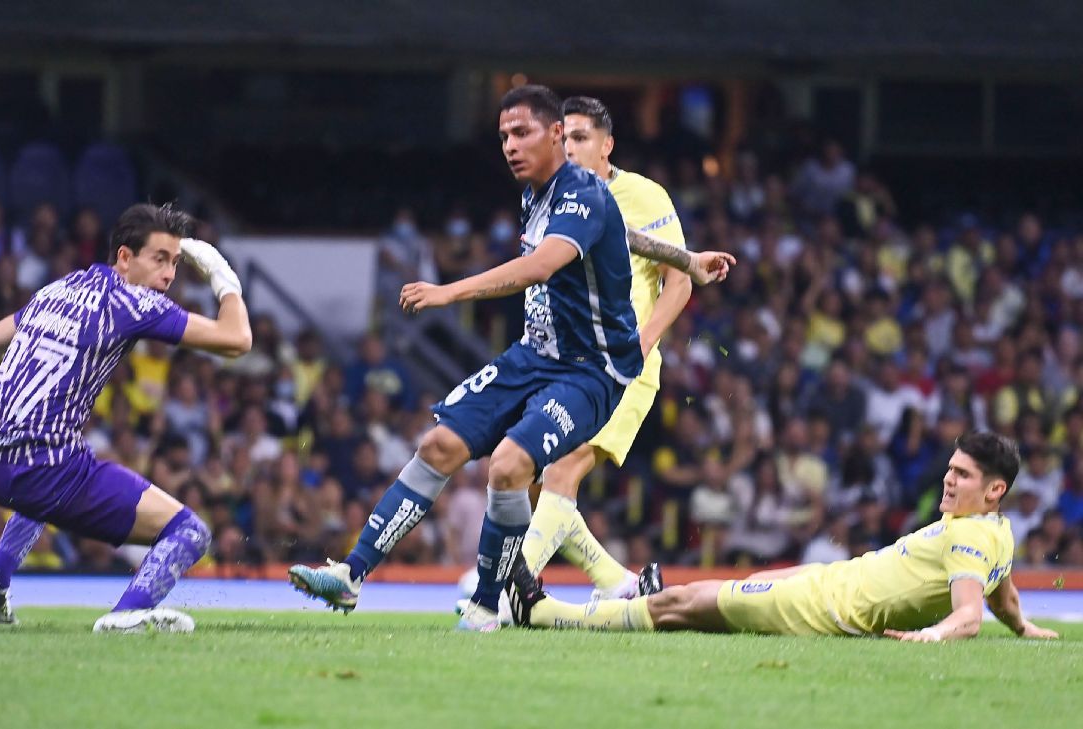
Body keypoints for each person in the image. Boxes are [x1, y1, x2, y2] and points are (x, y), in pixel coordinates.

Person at [287, 85, 733, 631]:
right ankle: (352, 575)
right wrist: (686, 258)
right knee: (439, 444)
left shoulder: (583, 194)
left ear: (553, 136)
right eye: (502, 136)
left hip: (591, 370)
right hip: (535, 355)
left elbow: (540, 267)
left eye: (521, 133)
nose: (509, 146)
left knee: (510, 465)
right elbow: (627, 237)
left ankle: (486, 606)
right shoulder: (539, 193)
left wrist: (447, 292)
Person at [0, 203, 252, 633]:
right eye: (160, 259)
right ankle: (127, 614)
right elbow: (237, 339)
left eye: (175, 263)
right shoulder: (133, 303)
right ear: (124, 258)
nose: (170, 275)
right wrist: (222, 278)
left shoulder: (59, 288)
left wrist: (12, 389)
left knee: (64, 459)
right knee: (190, 532)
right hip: (41, 469)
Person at [508, 432, 1060, 643]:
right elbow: (1002, 593)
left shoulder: (969, 541)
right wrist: (1024, 628)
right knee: (719, 593)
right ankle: (627, 591)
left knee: (683, 603)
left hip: (823, 608)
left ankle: (546, 613)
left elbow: (968, 613)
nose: (948, 478)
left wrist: (932, 637)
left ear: (995, 490)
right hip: (829, 582)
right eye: (950, 468)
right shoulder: (996, 533)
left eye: (962, 475)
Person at [515, 95, 697, 605]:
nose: (569, 148)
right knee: (532, 474)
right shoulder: (548, 197)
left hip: (623, 363)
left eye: (580, 138)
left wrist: (640, 344)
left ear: (606, 145)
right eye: (562, 138)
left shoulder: (644, 195)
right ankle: (619, 584)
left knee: (563, 466)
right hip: (566, 362)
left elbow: (679, 282)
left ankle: (507, 581)